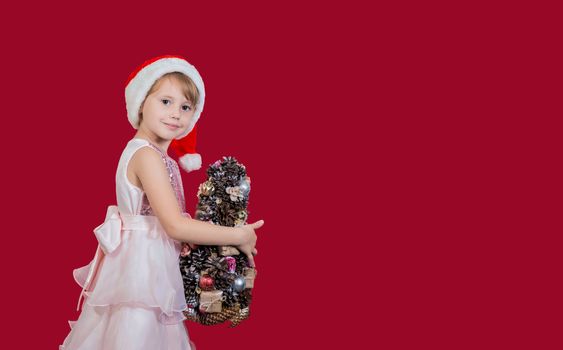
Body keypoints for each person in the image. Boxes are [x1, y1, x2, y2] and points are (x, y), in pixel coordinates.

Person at [59, 55, 264, 350]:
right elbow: (174, 225)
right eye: (165, 102)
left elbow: (164, 225)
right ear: (142, 102)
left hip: (154, 274)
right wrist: (238, 235)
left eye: (185, 107)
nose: (176, 114)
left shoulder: (159, 157)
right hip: (141, 279)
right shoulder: (146, 155)